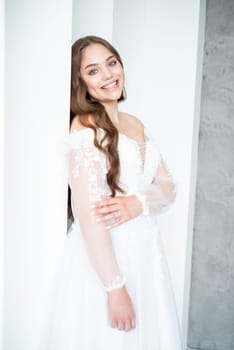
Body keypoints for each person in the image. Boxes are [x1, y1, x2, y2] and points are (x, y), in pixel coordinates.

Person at [48, 35, 182, 350]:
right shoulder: (85, 127)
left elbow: (169, 186)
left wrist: (138, 203)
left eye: (111, 63)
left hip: (147, 254)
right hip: (108, 259)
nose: (108, 75)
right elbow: (88, 215)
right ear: (78, 81)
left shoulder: (135, 123)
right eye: (93, 71)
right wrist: (114, 287)